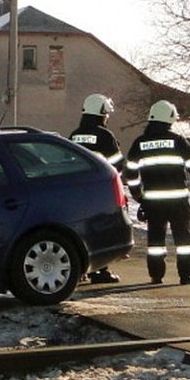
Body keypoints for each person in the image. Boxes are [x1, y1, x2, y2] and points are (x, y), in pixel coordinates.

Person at [126, 100, 190, 285]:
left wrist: (137, 194)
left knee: (155, 240)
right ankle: (187, 275)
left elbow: (130, 171)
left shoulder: (140, 143)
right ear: (169, 120)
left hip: (153, 201)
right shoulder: (177, 140)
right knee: (183, 240)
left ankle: (156, 275)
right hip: (177, 200)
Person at [69, 93, 124, 284]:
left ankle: (80, 271)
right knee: (99, 230)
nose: (107, 117)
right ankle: (99, 271)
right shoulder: (104, 135)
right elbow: (118, 165)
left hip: (76, 192)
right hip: (98, 192)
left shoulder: (75, 135)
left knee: (79, 230)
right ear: (101, 113)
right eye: (106, 114)